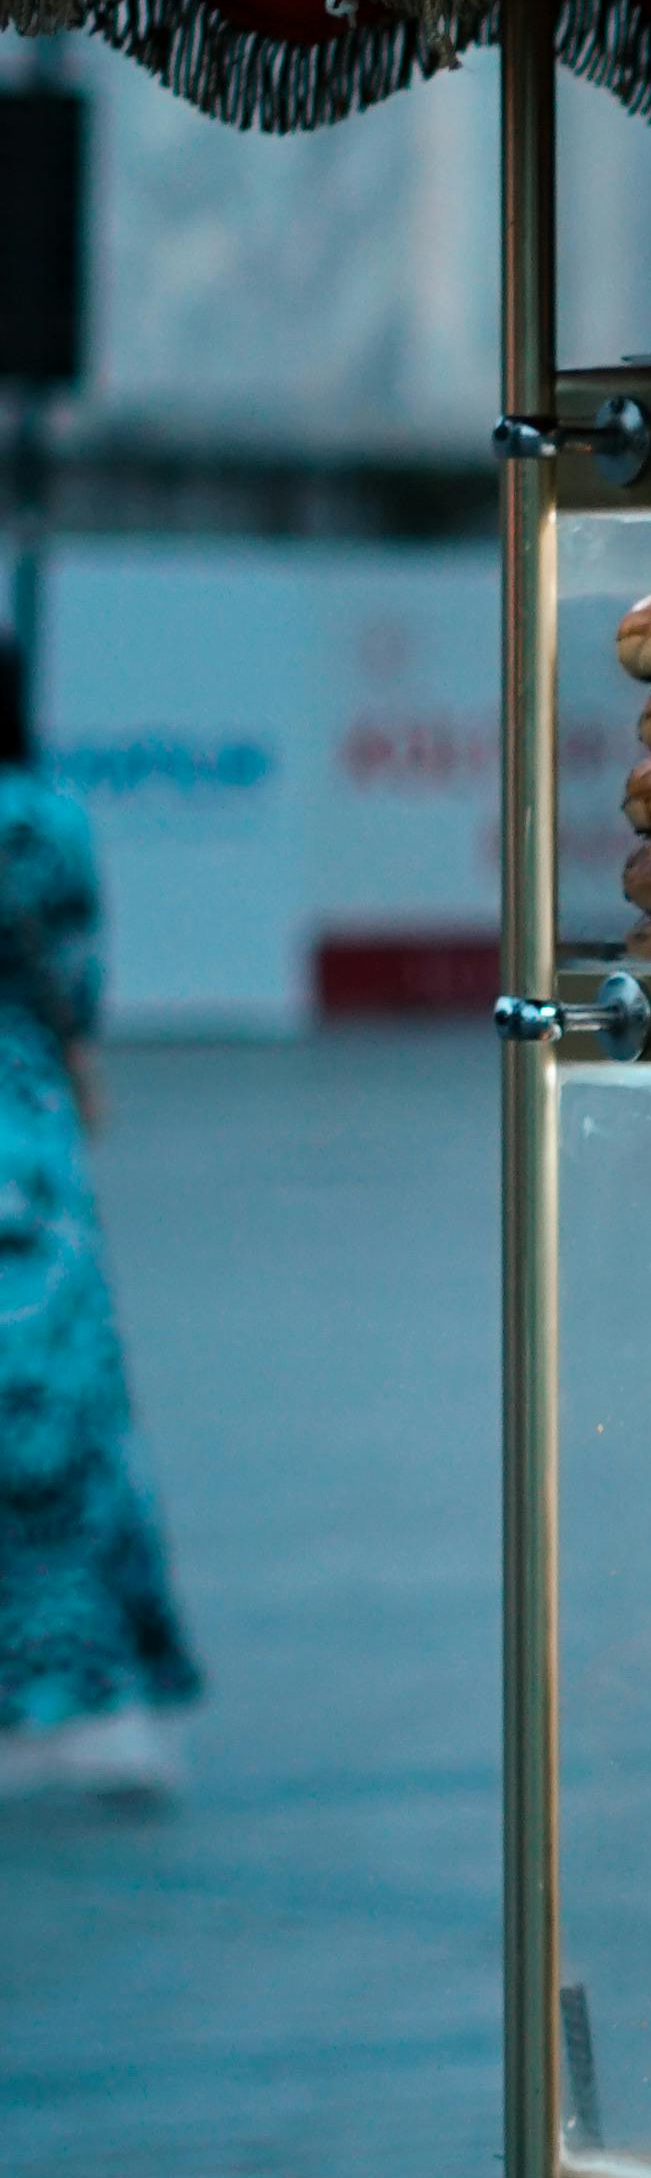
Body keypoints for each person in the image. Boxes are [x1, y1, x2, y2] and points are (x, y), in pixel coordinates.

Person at [0, 637, 198, 1798]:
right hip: (27, 1145)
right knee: (60, 1422)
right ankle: (89, 1691)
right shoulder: (46, 822)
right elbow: (75, 988)